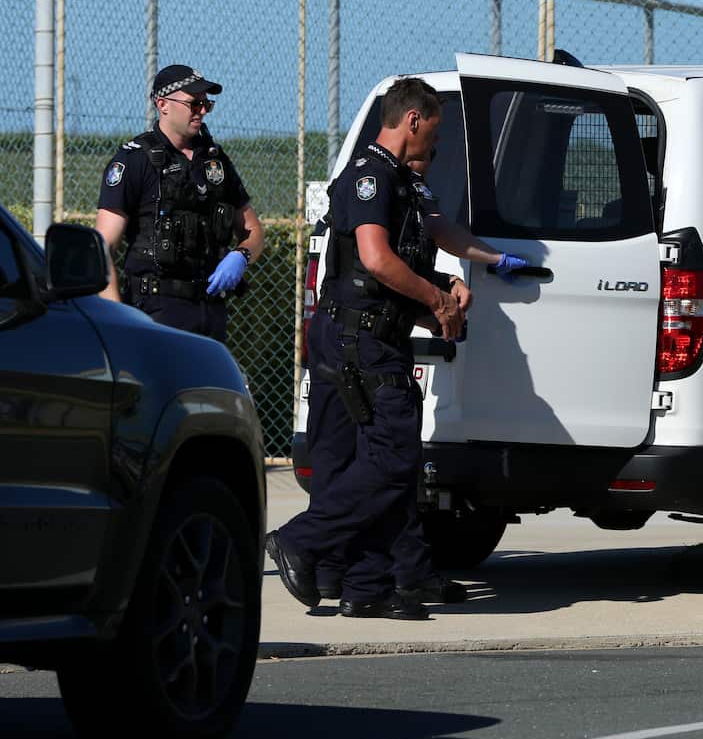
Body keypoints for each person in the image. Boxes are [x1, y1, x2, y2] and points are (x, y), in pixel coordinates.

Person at [266, 77, 468, 620]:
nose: (437, 144)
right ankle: (303, 542)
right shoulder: (371, 177)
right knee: (392, 457)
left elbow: (427, 240)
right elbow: (376, 261)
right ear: (413, 121)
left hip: (367, 333)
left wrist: (476, 271)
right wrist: (437, 298)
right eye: (436, 129)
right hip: (361, 338)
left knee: (364, 459)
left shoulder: (396, 179)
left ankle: (364, 584)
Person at [94, 64, 264, 341]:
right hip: (154, 311)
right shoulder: (135, 160)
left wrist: (240, 257)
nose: (202, 111)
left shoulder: (215, 161)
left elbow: (253, 232)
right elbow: (103, 247)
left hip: (209, 309)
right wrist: (116, 319)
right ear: (162, 104)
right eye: (194, 103)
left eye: (206, 103)